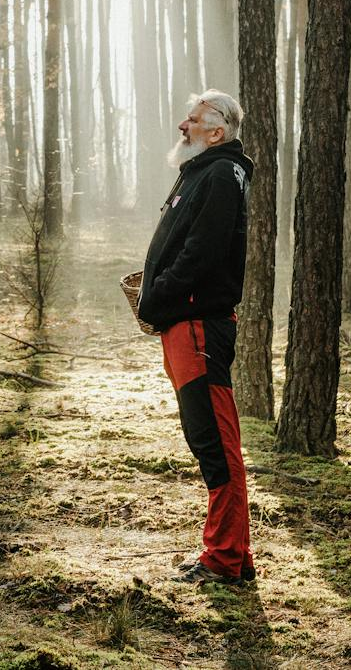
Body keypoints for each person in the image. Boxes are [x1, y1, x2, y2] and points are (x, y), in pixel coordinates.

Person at [137, 90, 256, 585]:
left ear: (217, 131)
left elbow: (201, 254)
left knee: (216, 443)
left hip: (199, 327)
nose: (183, 125)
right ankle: (233, 554)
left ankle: (225, 558)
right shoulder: (202, 172)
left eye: (194, 118)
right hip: (185, 325)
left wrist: (157, 296)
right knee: (205, 437)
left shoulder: (221, 176)